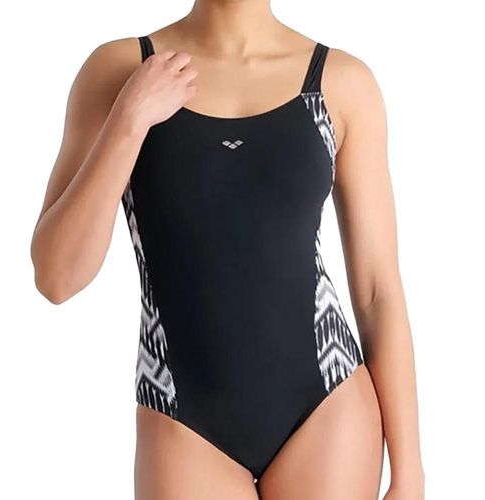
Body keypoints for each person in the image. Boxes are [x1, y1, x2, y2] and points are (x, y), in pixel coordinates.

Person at [30, 1, 425, 499]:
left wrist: (410, 473)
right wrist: (130, 120)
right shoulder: (121, 69)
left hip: (328, 404)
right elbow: (57, 278)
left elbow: (376, 291)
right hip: (180, 416)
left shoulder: (340, 83)